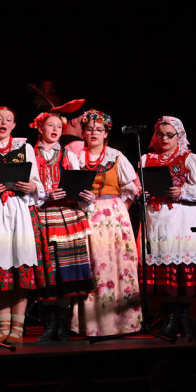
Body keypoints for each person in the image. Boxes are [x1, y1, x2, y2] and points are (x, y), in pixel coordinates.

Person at [71, 109, 143, 337]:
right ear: (83, 132)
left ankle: (123, 322)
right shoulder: (75, 155)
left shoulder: (116, 156)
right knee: (93, 266)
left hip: (114, 216)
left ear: (106, 134)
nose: (93, 133)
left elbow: (131, 189)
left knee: (118, 266)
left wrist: (118, 212)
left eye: (98, 130)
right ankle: (90, 325)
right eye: (90, 129)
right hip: (85, 215)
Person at [0, 106, 45, 343]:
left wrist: (32, 187)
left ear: (14, 125)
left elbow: (36, 180)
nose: (3, 122)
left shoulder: (24, 148)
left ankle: (18, 327)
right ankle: (3, 328)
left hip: (18, 210)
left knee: (20, 267)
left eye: (8, 119)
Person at [140, 116, 196, 338]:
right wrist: (143, 193)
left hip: (182, 219)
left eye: (169, 134)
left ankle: (183, 318)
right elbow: (136, 188)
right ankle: (169, 317)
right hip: (157, 220)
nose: (164, 138)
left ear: (178, 136)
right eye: (161, 134)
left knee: (182, 270)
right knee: (164, 271)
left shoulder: (189, 158)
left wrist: (181, 192)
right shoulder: (146, 159)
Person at [30, 107, 94, 341]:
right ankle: (48, 326)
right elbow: (28, 187)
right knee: (48, 271)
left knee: (66, 271)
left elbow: (78, 181)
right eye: (51, 125)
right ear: (40, 128)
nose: (56, 130)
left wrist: (84, 196)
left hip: (67, 216)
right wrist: (46, 195)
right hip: (43, 216)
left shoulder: (69, 154)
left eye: (59, 126)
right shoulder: (30, 153)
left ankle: (62, 325)